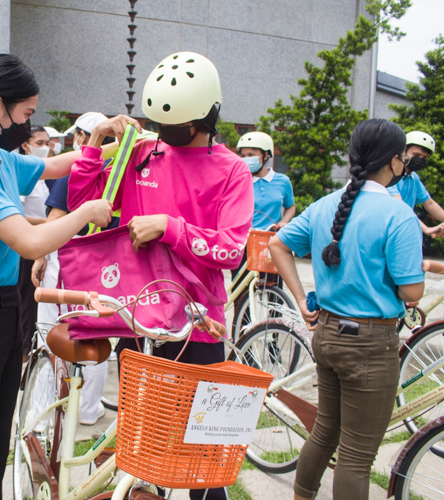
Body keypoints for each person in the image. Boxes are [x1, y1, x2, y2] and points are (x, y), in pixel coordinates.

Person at [67, 52, 251, 500]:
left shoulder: (232, 170)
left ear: (206, 118)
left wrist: (171, 227)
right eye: (158, 124)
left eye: (177, 126)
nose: (165, 134)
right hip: (139, 317)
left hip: (198, 327)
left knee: (204, 461)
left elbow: (230, 250)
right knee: (139, 449)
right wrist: (96, 142)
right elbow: (84, 202)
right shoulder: (143, 153)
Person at [0, 54, 116, 500]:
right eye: (27, 114)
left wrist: (112, 140)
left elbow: (58, 166)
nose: (28, 126)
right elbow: (31, 244)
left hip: (5, 308)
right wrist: (86, 213)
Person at [267, 119, 424, 500]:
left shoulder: (324, 206)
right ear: (394, 161)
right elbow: (412, 291)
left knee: (324, 432)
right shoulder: (397, 214)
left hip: (328, 335)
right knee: (356, 456)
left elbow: (277, 245)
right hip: (371, 344)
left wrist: (302, 298)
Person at [32, 111, 115, 426]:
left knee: (50, 335)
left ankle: (42, 412)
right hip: (108, 269)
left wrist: (40, 256)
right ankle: (88, 410)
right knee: (96, 337)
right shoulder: (121, 172)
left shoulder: (76, 172)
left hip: (68, 264)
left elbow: (55, 222)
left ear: (83, 137)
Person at [231, 131, 295, 286]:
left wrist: (284, 222)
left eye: (251, 154)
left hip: (271, 243)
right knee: (242, 294)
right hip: (244, 243)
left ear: (266, 155)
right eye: (243, 155)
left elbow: (290, 206)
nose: (246, 159)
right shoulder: (239, 180)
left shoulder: (282, 181)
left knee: (274, 293)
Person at [17, 125, 52, 359]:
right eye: (40, 143)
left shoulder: (42, 177)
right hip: (25, 247)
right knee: (27, 305)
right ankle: (24, 356)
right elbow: (16, 217)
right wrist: (50, 223)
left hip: (43, 243)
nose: (46, 148)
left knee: (37, 303)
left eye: (47, 143)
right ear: (25, 146)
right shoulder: (23, 176)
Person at [387, 130, 444, 237]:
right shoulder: (390, 176)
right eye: (416, 155)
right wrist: (426, 228)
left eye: (425, 158)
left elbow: (430, 204)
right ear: (403, 151)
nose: (420, 160)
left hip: (404, 232)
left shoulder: (413, 177)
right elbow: (400, 206)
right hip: (388, 232)